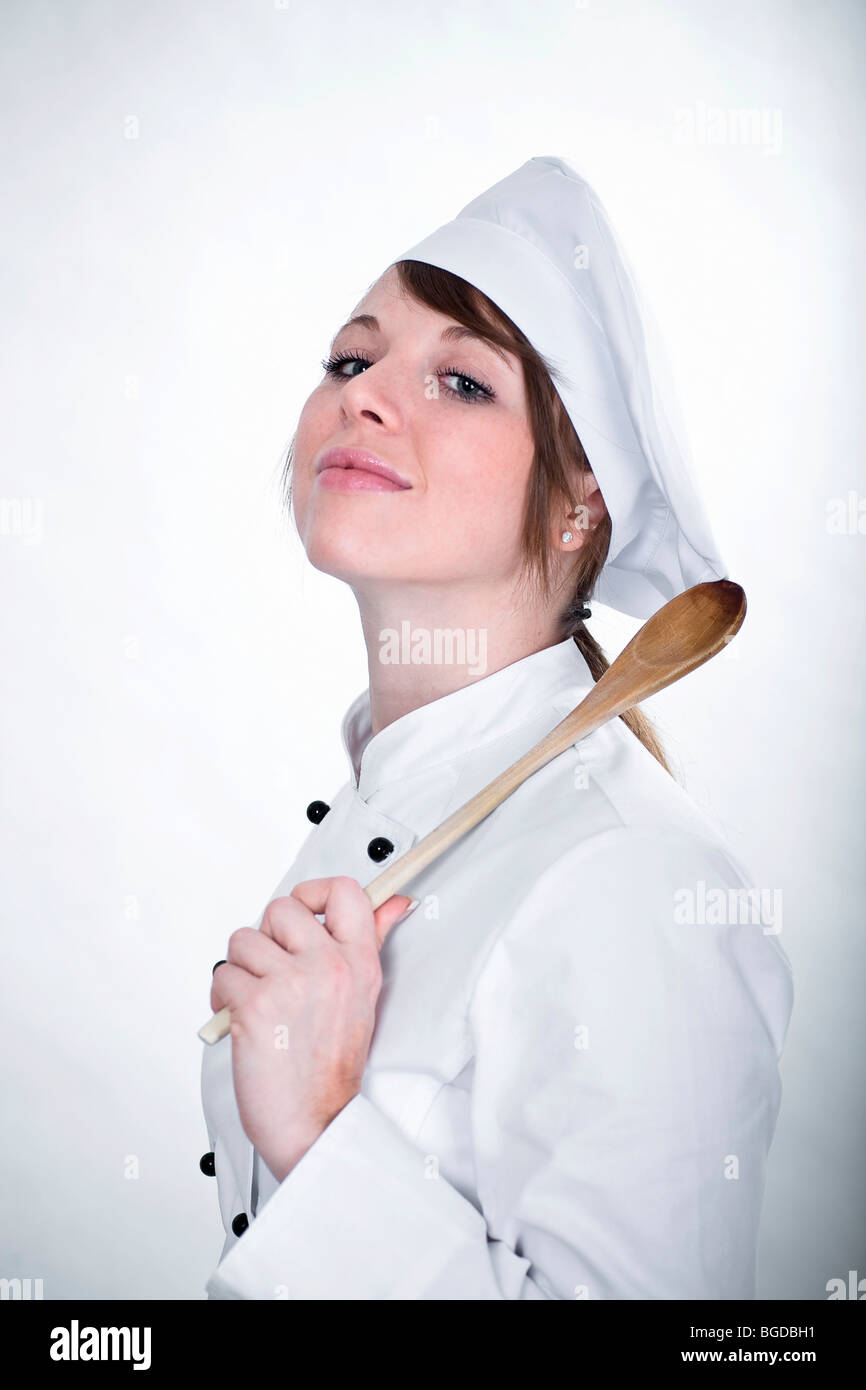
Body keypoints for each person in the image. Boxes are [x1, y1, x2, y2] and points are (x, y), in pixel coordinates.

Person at [199, 156, 793, 1300]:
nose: (363, 394)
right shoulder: (371, 804)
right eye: (351, 357)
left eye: (462, 382)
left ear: (580, 502)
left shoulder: (637, 880)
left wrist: (325, 1143)